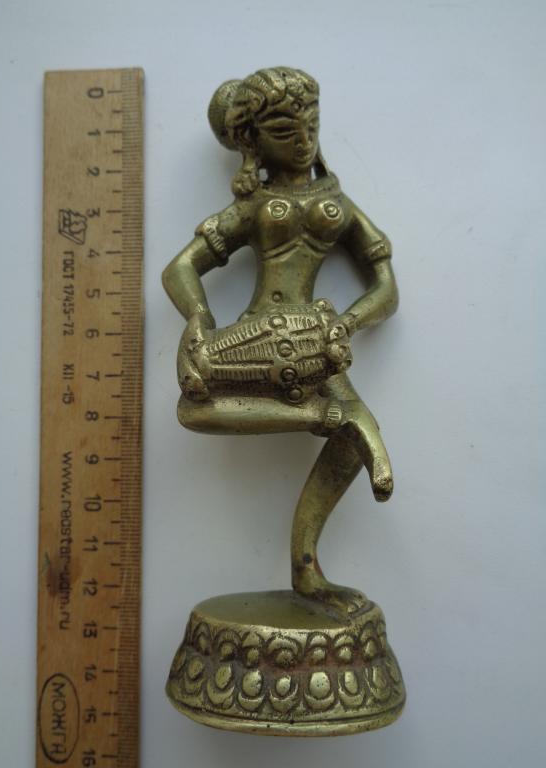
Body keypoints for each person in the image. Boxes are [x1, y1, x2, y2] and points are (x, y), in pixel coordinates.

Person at [162, 67, 399, 613]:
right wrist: (198, 317)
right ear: (253, 142)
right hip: (254, 339)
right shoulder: (253, 206)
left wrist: (347, 323)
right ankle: (313, 415)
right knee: (192, 409)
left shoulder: (337, 201)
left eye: (311, 123)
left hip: (319, 339)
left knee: (355, 434)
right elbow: (180, 269)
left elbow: (387, 288)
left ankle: (306, 569)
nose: (304, 139)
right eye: (285, 130)